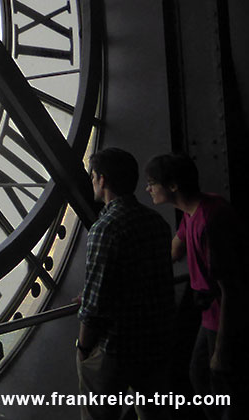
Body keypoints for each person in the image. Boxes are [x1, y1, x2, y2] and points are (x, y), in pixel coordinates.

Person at [144, 153, 249, 420]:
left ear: (172, 186)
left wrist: (221, 349)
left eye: (152, 182)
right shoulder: (205, 210)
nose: (148, 188)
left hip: (222, 320)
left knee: (211, 382)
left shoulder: (203, 220)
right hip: (223, 317)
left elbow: (228, 289)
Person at [76, 148, 174, 420]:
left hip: (117, 348)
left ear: (103, 180)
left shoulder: (105, 228)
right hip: (155, 341)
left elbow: (94, 306)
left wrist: (83, 348)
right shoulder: (157, 223)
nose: (92, 182)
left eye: (93, 176)